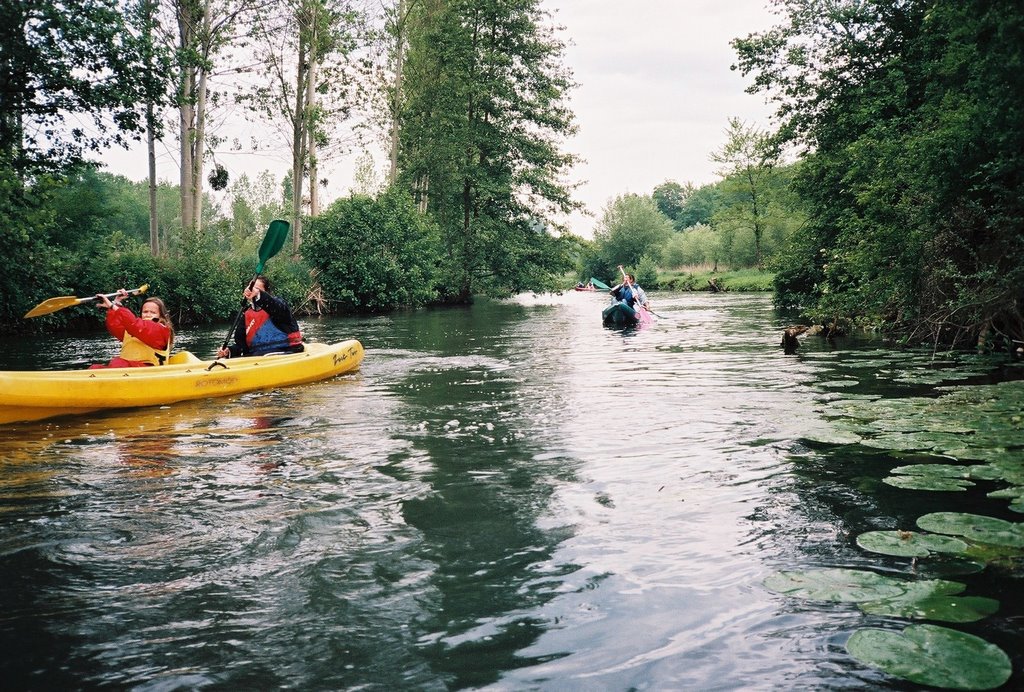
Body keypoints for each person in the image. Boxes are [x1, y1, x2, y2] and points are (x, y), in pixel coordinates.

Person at [216, 275, 303, 359]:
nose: (253, 291)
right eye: (251, 289)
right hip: (258, 358)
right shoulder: (246, 315)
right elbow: (242, 346)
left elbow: (275, 305)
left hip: (286, 352)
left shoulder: (278, 307)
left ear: (266, 292)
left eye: (257, 289)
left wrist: (258, 294)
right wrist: (229, 351)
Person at [90, 290, 174, 369]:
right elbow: (115, 326)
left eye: (153, 312)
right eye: (145, 312)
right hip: (130, 369)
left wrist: (112, 306)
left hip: (150, 370)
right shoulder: (135, 329)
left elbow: (135, 325)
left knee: (118, 363)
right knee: (95, 368)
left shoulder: (161, 329)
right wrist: (117, 301)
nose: (148, 315)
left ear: (161, 316)